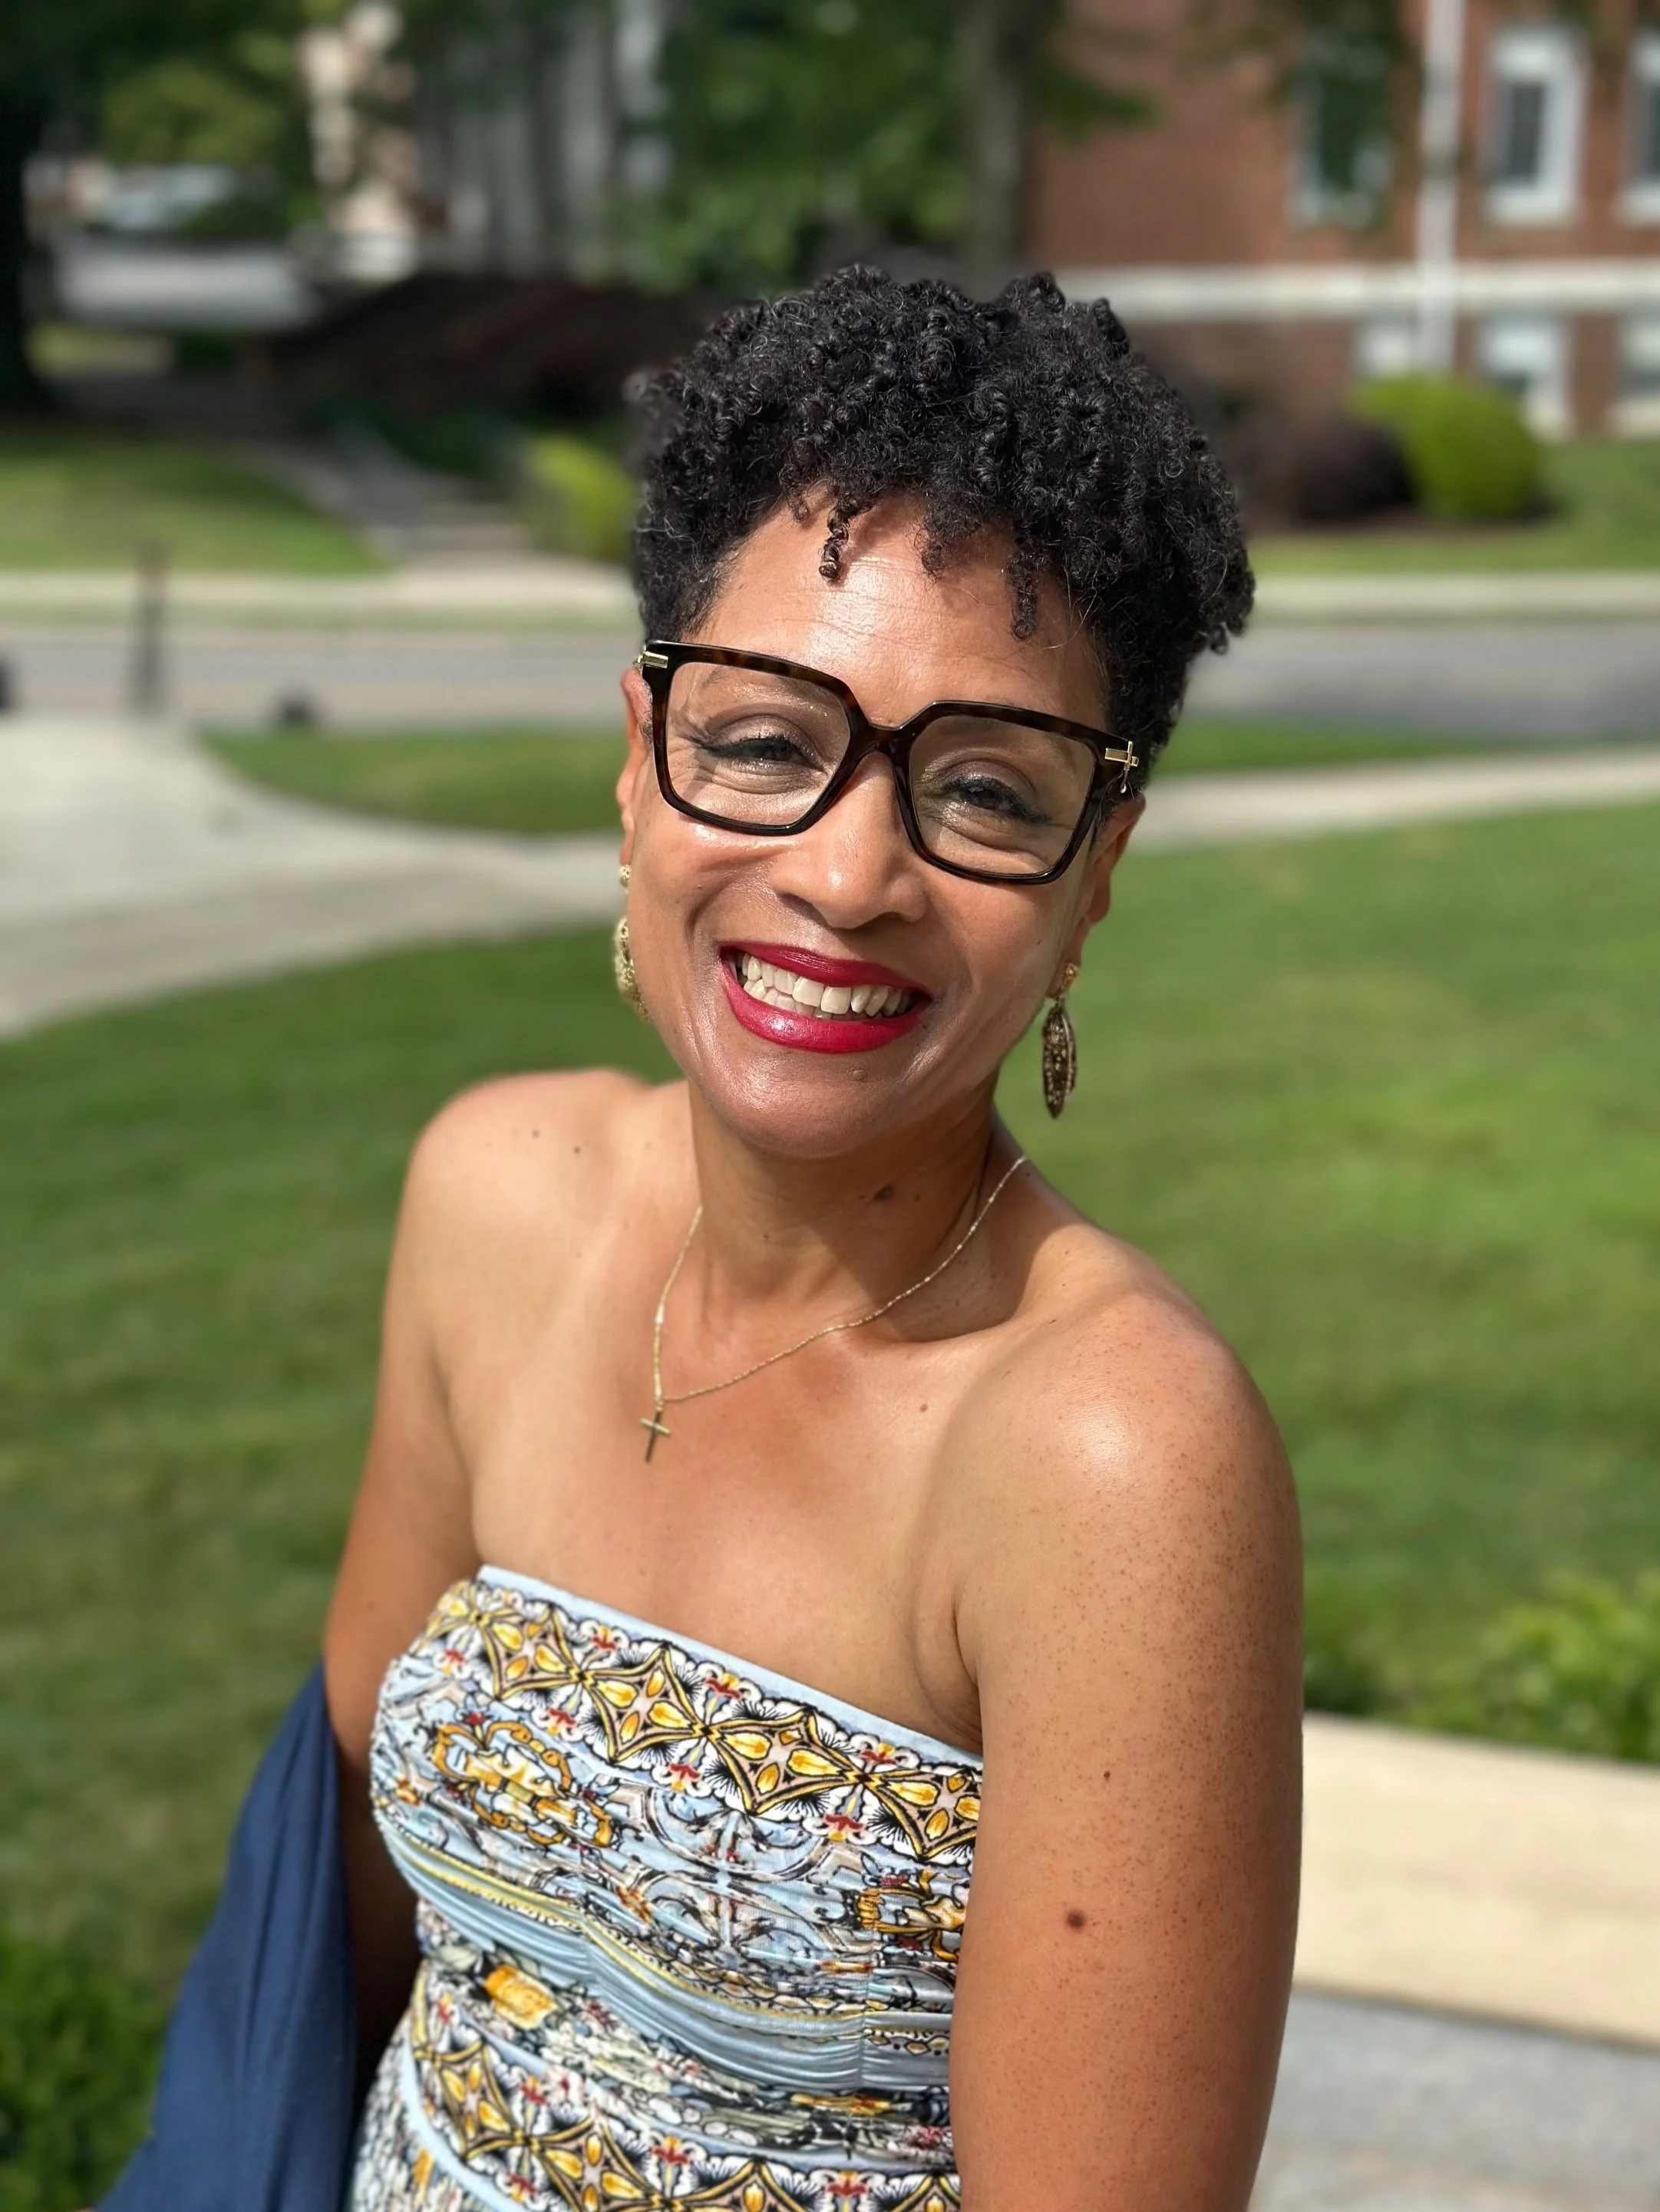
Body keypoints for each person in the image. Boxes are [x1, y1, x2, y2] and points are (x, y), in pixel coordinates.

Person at [134, 268, 1303, 2212]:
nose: (846, 874)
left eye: (984, 789)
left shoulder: (1114, 1461)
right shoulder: (491, 1198)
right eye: (764, 742)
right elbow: (322, 1930)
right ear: (639, 753)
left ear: (1093, 872)